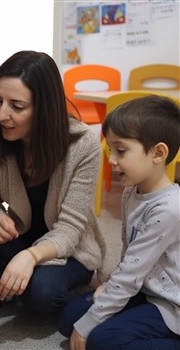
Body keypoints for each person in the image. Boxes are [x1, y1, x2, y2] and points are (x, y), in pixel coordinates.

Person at [0, 50, 106, 318]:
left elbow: (69, 229)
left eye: (16, 107)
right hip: (22, 238)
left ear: (44, 108)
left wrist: (30, 257)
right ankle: (15, 287)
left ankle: (14, 290)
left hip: (70, 249)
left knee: (43, 294)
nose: (1, 115)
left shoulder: (84, 144)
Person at [59, 95, 180, 350]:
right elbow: (129, 258)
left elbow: (131, 274)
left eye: (120, 150)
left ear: (158, 153)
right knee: (69, 320)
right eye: (110, 149)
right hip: (142, 289)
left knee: (101, 340)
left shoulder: (169, 210)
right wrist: (109, 284)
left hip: (171, 304)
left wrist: (92, 321)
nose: (111, 159)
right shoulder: (131, 192)